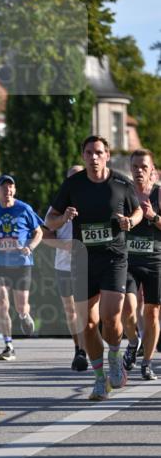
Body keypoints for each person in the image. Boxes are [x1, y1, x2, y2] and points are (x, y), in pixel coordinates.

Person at [46, 135, 142, 400]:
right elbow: (49, 220)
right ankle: (99, 379)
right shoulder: (72, 184)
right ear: (83, 156)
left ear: (107, 155)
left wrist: (130, 222)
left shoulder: (121, 183)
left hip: (113, 258)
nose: (94, 157)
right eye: (89, 153)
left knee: (111, 318)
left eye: (99, 152)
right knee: (88, 324)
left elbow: (139, 212)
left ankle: (114, 356)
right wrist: (63, 217)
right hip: (83, 261)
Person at [0, 174, 44, 361]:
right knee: (2, 302)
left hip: (22, 263)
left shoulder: (24, 209)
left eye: (11, 187)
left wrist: (30, 247)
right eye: (4, 188)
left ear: (14, 190)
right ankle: (8, 345)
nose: (8, 191)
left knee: (20, 305)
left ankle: (24, 315)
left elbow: (39, 232)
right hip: (0, 264)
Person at [42, 165, 88, 372]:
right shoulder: (59, 205)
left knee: (88, 311)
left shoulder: (91, 200)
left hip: (89, 264)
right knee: (71, 311)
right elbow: (44, 233)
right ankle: (79, 350)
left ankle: (92, 348)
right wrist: (65, 245)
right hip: (64, 264)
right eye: (71, 178)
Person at [120, 148, 161, 380]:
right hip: (128, 261)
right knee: (127, 306)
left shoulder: (159, 194)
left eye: (144, 167)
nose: (139, 171)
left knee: (153, 314)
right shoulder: (124, 194)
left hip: (155, 261)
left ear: (151, 171)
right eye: (135, 167)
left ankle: (147, 363)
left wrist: (154, 217)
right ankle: (134, 342)